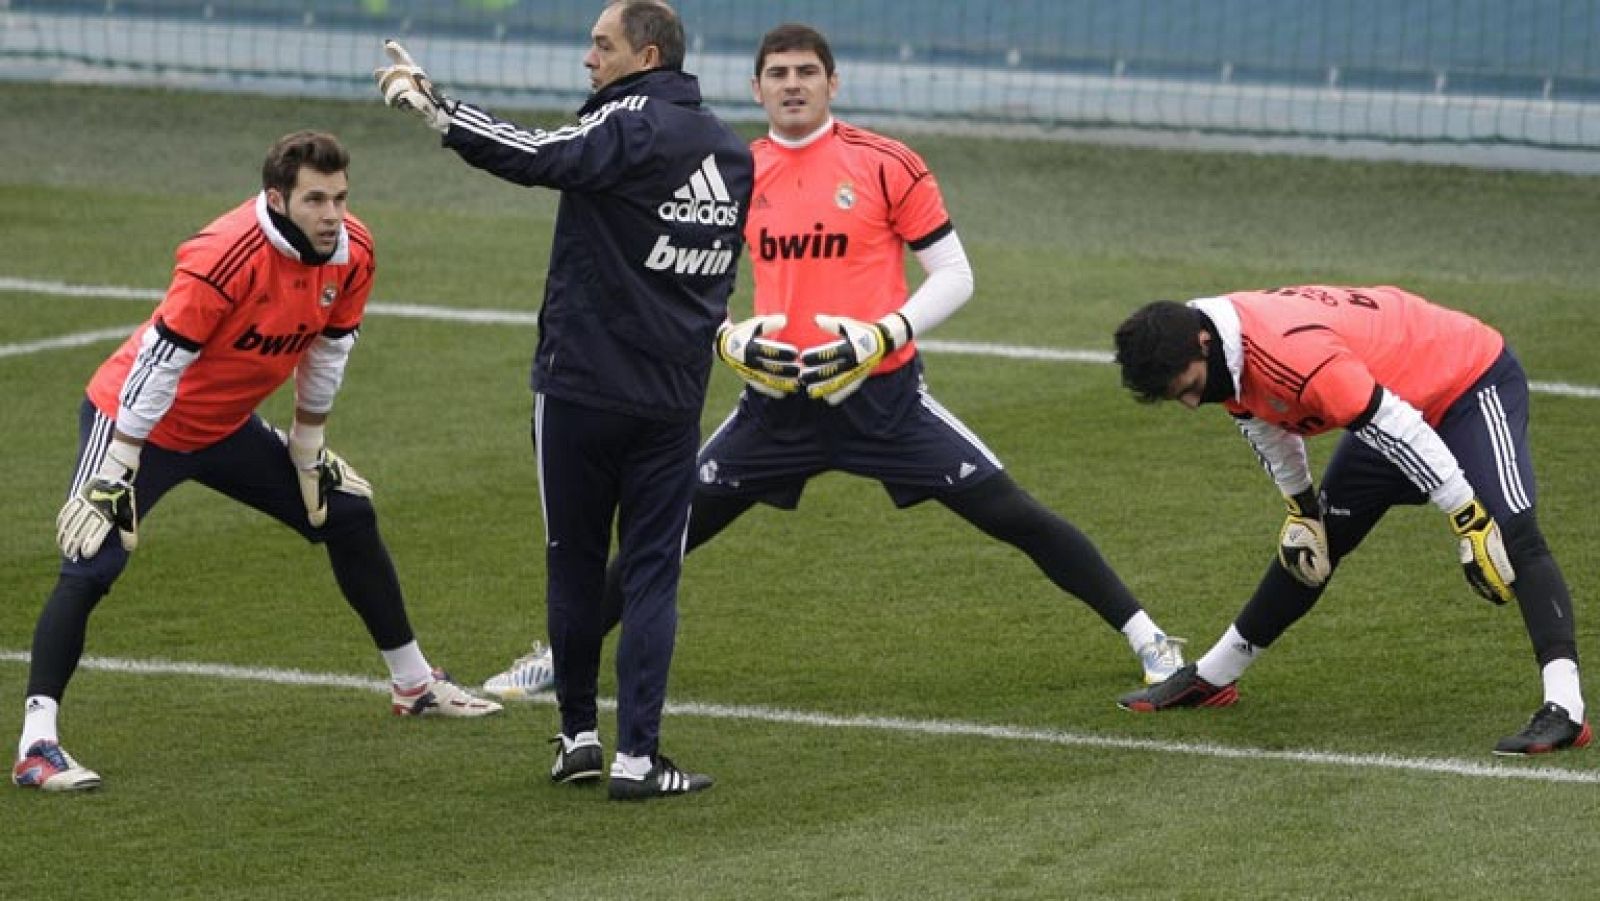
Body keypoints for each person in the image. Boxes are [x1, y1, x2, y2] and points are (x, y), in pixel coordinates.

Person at [481, 22, 1188, 706]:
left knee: (1014, 515)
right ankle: (562, 655)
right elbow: (682, 276)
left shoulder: (886, 163)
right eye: (778, 74)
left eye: (807, 73)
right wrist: (725, 338)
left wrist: (883, 335)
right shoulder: (730, 167)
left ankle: (1150, 637)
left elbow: (955, 274)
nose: (793, 85)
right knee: (661, 536)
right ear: (756, 88)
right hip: (774, 413)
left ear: (833, 83)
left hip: (886, 405)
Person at [12, 131, 501, 793]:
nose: (332, 215)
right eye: (315, 200)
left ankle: (415, 685)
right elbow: (158, 365)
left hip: (223, 427)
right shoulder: (223, 255)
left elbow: (328, 351)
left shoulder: (352, 251)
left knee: (346, 514)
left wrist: (307, 450)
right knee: (92, 560)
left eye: (340, 198)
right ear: (277, 199)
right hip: (135, 421)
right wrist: (117, 467)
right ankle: (36, 746)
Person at [376, 0, 752, 799]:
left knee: (574, 563)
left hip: (581, 389)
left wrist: (439, 111)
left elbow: (539, 155)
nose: (589, 59)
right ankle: (637, 759)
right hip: (671, 400)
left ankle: (578, 734)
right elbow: (717, 273)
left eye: (601, 45)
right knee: (651, 575)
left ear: (646, 57)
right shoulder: (731, 151)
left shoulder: (627, 122)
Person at [1111, 285, 1588, 755]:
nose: (1192, 403)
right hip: (1389, 399)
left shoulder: (1289, 353)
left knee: (1511, 532)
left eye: (1190, 388)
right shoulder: (1221, 350)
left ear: (1203, 344)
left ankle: (1565, 708)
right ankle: (1214, 677)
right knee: (1315, 543)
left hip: (1465, 381)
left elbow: (1397, 425)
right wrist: (1301, 507)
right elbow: (1262, 422)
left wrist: (1468, 518)